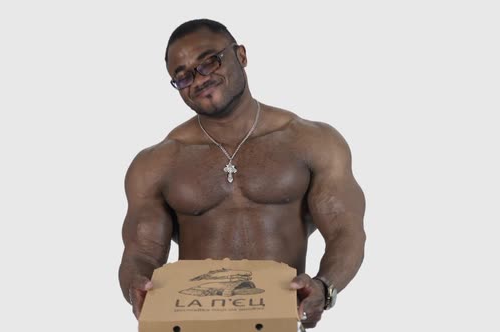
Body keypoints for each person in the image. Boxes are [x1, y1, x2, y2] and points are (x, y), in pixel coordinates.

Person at [118, 18, 366, 329]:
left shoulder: (312, 141)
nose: (199, 79)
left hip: (280, 324)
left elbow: (347, 231)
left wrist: (325, 287)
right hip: (193, 325)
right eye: (182, 77)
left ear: (241, 56)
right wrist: (136, 288)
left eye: (209, 62)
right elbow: (141, 251)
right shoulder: (157, 163)